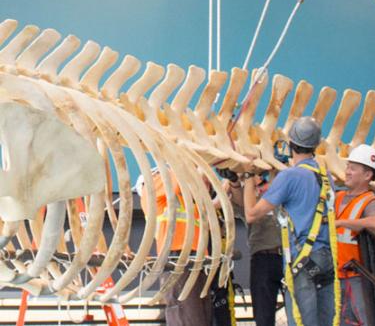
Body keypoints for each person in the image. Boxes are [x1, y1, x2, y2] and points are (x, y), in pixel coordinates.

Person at [243, 116, 339, 326]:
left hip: (302, 260)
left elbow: (251, 214)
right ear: (315, 145)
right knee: (324, 320)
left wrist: (249, 175)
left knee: (302, 320)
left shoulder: (290, 177)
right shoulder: (325, 177)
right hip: (325, 258)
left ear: (291, 144)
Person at [139, 169, 212, 326]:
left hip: (195, 259)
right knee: (188, 314)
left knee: (199, 314)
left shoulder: (183, 202)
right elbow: (182, 175)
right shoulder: (152, 189)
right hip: (177, 259)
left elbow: (201, 185)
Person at [220, 168, 283, 326]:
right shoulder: (250, 200)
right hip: (264, 259)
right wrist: (234, 181)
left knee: (298, 310)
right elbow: (240, 203)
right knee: (263, 314)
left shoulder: (280, 191)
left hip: (289, 257)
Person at [335, 144, 375, 325]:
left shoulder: (371, 201)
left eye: (353, 168)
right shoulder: (338, 197)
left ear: (367, 175)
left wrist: (341, 223)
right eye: (348, 167)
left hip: (356, 276)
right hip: (336, 274)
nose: (347, 171)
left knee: (366, 320)